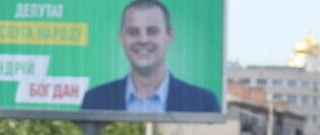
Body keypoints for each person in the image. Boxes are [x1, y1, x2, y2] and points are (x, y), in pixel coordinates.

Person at [80, 0, 220, 113]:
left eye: (152, 31)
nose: (143, 40)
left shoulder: (204, 103)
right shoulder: (95, 100)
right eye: (133, 32)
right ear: (121, 37)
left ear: (170, 35)